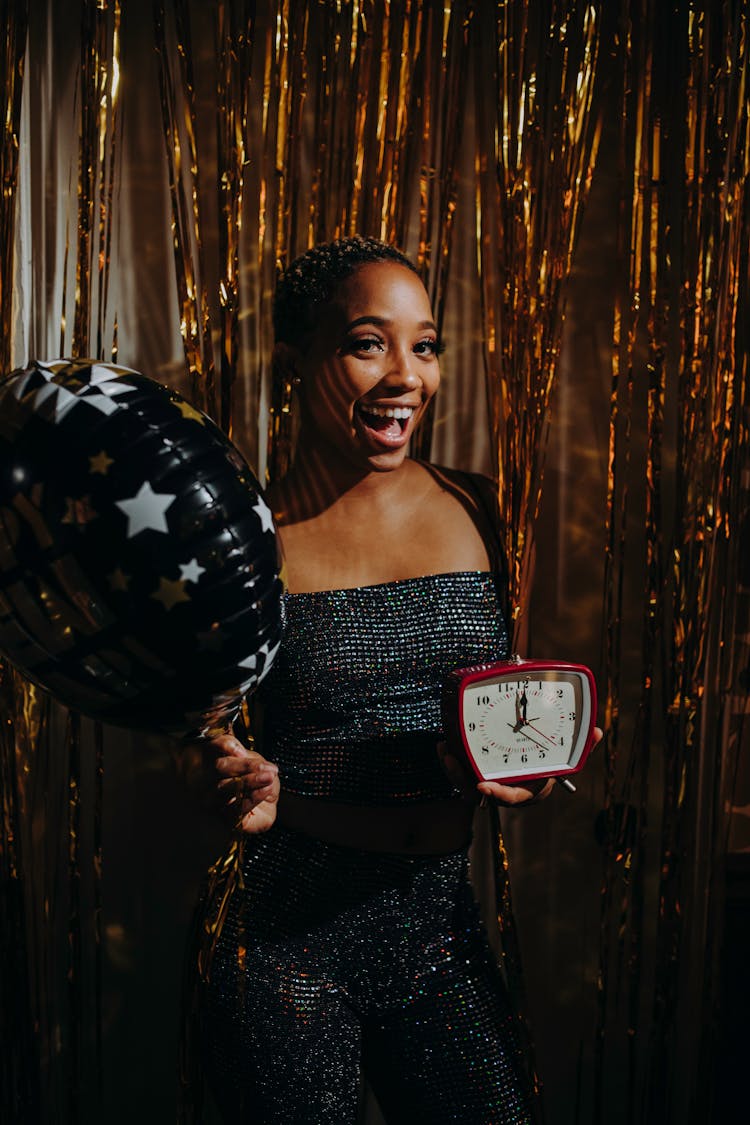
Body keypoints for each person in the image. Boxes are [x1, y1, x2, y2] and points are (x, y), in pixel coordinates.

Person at [197, 236, 591, 1124]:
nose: (405, 374)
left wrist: (524, 758)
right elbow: (202, 738)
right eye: (368, 342)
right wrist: (229, 777)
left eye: (425, 344)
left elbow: (486, 701)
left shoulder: (477, 504)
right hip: (290, 949)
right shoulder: (245, 545)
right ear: (296, 364)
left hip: (441, 934)